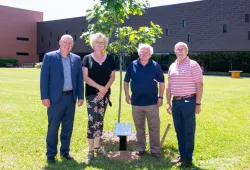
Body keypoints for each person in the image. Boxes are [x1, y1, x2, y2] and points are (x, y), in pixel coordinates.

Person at [40, 34, 84, 164]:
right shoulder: (49, 57)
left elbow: (79, 79)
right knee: (53, 127)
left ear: (73, 45)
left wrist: (80, 96)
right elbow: (44, 79)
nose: (67, 45)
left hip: (70, 98)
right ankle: (51, 154)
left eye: (70, 43)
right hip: (54, 100)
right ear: (60, 42)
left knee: (67, 127)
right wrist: (44, 97)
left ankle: (65, 152)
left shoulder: (76, 59)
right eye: (65, 42)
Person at [124, 44, 165, 158]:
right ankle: (141, 148)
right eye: (142, 51)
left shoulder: (155, 66)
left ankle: (155, 150)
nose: (144, 53)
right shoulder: (132, 65)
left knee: (154, 127)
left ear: (150, 54)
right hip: (136, 103)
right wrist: (127, 94)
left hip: (152, 103)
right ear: (138, 52)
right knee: (139, 127)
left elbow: (162, 82)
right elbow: (126, 81)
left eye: (146, 52)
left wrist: (161, 97)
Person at [166, 42, 203, 168]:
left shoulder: (193, 65)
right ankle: (182, 155)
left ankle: (188, 158)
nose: (180, 51)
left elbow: (199, 84)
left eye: (182, 49)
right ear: (175, 51)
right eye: (177, 49)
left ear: (187, 51)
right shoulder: (172, 66)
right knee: (179, 131)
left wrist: (198, 103)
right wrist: (167, 102)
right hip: (175, 102)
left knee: (188, 131)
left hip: (189, 101)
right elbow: (169, 86)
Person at [82, 32, 115, 161]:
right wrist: (99, 88)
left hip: (105, 94)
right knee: (92, 119)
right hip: (92, 94)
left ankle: (97, 146)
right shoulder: (87, 58)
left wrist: (105, 89)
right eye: (97, 42)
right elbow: (85, 77)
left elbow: (112, 76)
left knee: (100, 119)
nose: (99, 44)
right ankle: (90, 150)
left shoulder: (110, 58)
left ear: (105, 44)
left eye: (102, 42)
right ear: (93, 43)